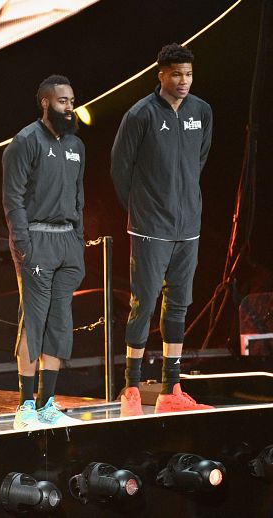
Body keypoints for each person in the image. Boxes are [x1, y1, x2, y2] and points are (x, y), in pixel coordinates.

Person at [111, 43, 214, 416]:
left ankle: (172, 388)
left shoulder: (201, 111)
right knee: (144, 304)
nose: (183, 81)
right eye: (176, 74)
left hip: (188, 227)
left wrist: (183, 201)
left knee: (179, 305)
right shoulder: (141, 114)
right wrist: (143, 210)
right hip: (150, 227)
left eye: (188, 74)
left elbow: (199, 159)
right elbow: (120, 168)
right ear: (161, 76)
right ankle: (132, 388)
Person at [2, 75, 86, 430]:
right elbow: (13, 198)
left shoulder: (76, 144)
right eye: (63, 101)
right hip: (36, 239)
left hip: (67, 242)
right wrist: (23, 244)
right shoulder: (25, 141)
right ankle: (25, 406)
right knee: (34, 321)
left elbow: (79, 196)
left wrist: (78, 240)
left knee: (60, 323)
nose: (69, 107)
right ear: (46, 103)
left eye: (71, 101)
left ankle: (48, 403)